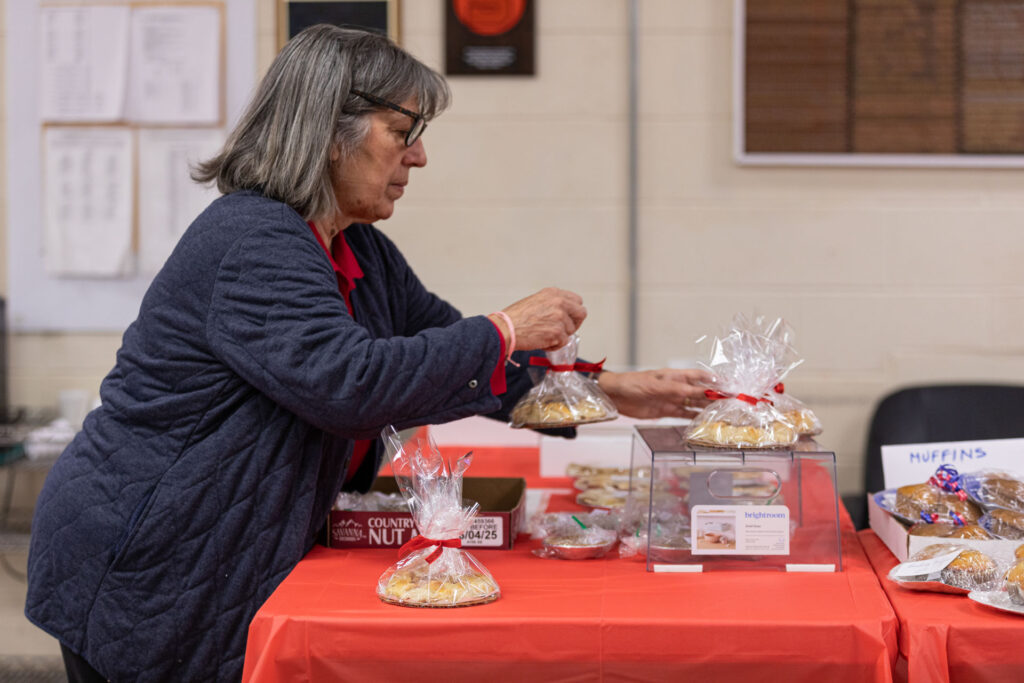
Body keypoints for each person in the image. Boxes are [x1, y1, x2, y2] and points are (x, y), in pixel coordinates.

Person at [25, 25, 710, 682]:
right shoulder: (252, 241)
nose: (418, 156)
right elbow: (355, 385)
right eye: (403, 131)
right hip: (148, 559)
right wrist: (504, 325)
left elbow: (455, 364)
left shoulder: (359, 250)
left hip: (215, 547)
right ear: (329, 133)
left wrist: (613, 390)